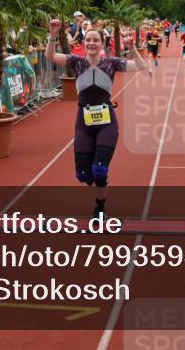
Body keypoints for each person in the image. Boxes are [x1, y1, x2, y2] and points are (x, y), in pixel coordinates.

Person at [45, 18, 149, 218]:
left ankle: (100, 207)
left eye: (96, 40)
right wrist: (53, 34)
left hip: (106, 122)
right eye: (88, 40)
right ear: (84, 43)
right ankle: (94, 177)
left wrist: (132, 48)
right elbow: (50, 55)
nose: (91, 43)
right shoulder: (76, 62)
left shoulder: (111, 63)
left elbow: (141, 67)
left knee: (100, 172)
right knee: (84, 175)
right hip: (83, 122)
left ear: (102, 44)